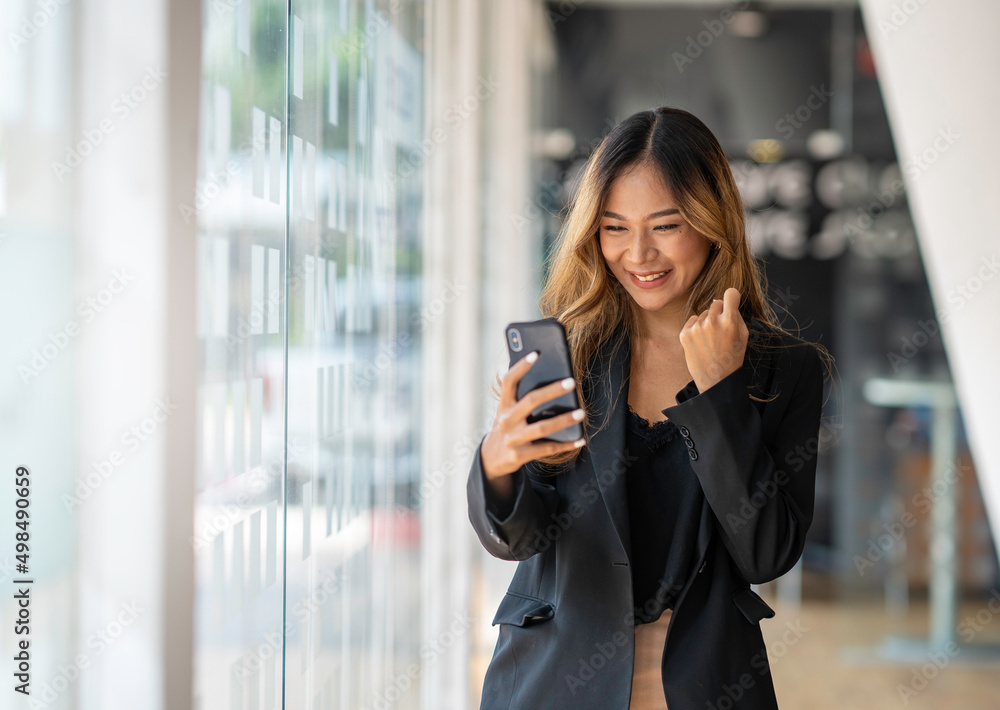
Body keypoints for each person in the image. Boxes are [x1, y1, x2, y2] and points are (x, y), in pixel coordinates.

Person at [466, 106, 834, 710]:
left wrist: (720, 397)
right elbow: (522, 539)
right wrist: (498, 467)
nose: (638, 254)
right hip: (557, 678)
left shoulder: (783, 368)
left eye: (665, 225)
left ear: (713, 222)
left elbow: (765, 554)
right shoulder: (571, 353)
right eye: (614, 227)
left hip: (705, 681)